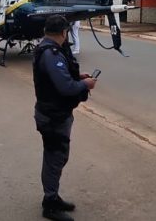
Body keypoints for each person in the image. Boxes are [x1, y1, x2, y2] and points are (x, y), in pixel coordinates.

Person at [32, 15, 97, 221]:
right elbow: (65, 87)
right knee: (55, 158)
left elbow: (59, 79)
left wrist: (78, 77)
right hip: (53, 116)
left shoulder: (48, 48)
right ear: (63, 32)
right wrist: (85, 85)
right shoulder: (51, 53)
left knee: (57, 157)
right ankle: (50, 204)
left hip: (54, 113)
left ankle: (52, 196)